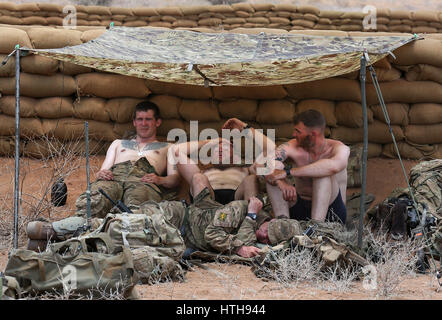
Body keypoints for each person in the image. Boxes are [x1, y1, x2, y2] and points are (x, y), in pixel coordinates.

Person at [74, 100, 181, 218]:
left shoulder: (168, 147)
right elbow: (104, 169)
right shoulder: (118, 143)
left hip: (143, 181)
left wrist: (160, 180)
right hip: (113, 179)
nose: (143, 123)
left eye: (148, 119)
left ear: (158, 122)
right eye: (140, 119)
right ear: (134, 122)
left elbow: (175, 179)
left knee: (138, 214)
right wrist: (102, 173)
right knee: (92, 204)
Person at [265, 109, 350, 224]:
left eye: (298, 131)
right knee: (275, 167)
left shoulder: (339, 148)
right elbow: (263, 165)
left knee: (322, 174)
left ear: (313, 134)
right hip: (300, 207)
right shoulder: (293, 146)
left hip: (332, 214)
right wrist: (281, 182)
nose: (293, 134)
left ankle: (315, 228)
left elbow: (333, 166)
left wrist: (289, 172)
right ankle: (282, 224)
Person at [170, 118, 272, 205]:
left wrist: (243, 127)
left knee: (251, 179)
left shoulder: (246, 169)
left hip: (238, 203)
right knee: (197, 177)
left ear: (236, 156)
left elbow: (270, 149)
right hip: (209, 203)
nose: (219, 149)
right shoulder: (201, 172)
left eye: (225, 147)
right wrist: (209, 142)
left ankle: (250, 221)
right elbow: (175, 150)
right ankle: (202, 222)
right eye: (215, 148)